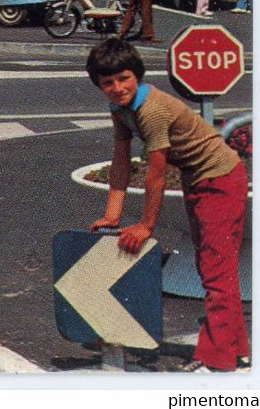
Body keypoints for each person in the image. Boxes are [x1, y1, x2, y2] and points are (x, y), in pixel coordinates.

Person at [86, 39, 249, 373]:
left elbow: (156, 174)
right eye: (108, 83)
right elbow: (121, 159)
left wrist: (146, 226)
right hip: (199, 180)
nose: (117, 88)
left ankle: (219, 364)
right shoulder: (121, 109)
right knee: (212, 270)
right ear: (99, 85)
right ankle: (236, 351)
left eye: (124, 78)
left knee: (218, 273)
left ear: (138, 76)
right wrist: (112, 214)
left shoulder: (152, 110)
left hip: (219, 180)